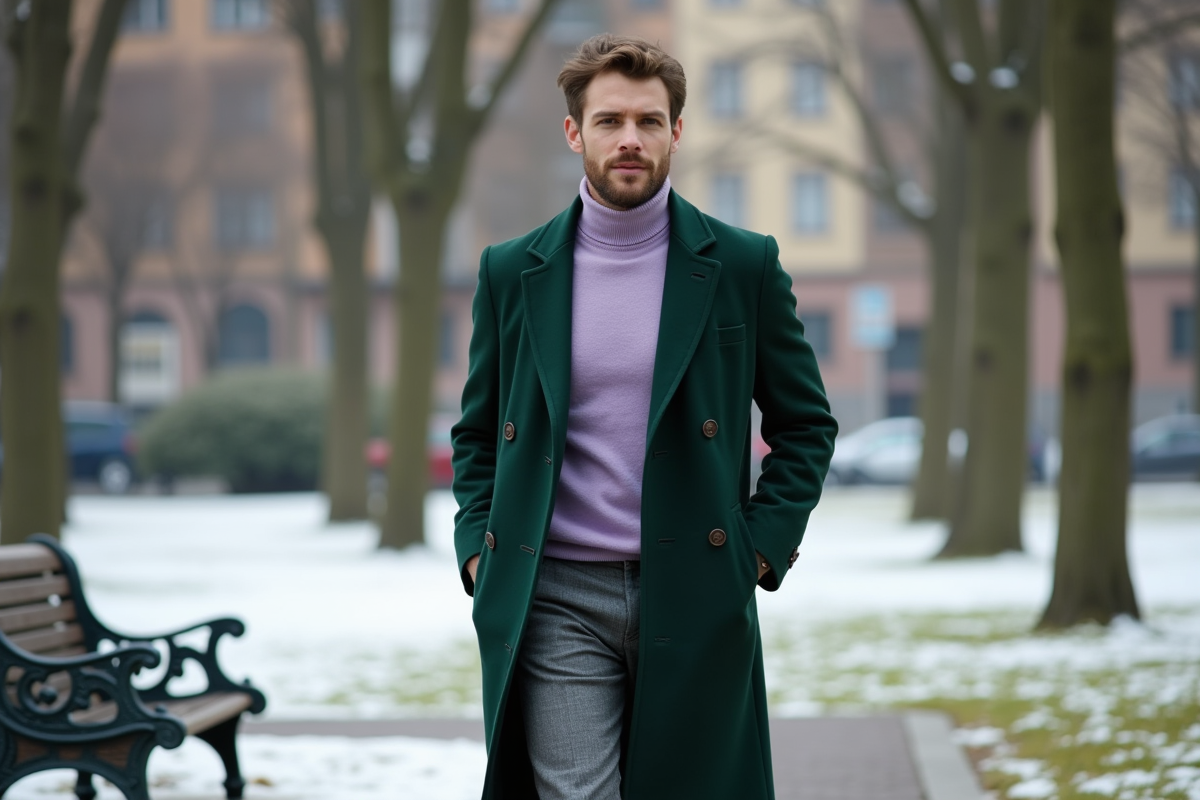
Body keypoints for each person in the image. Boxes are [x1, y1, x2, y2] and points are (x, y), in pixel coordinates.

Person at [451, 33, 837, 800]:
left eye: (650, 121)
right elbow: (478, 430)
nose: (630, 139)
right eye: (609, 121)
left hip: (695, 584)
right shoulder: (511, 271)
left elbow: (806, 424)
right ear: (575, 133)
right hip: (556, 590)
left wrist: (759, 550)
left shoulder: (742, 264)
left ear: (676, 132)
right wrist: (477, 546)